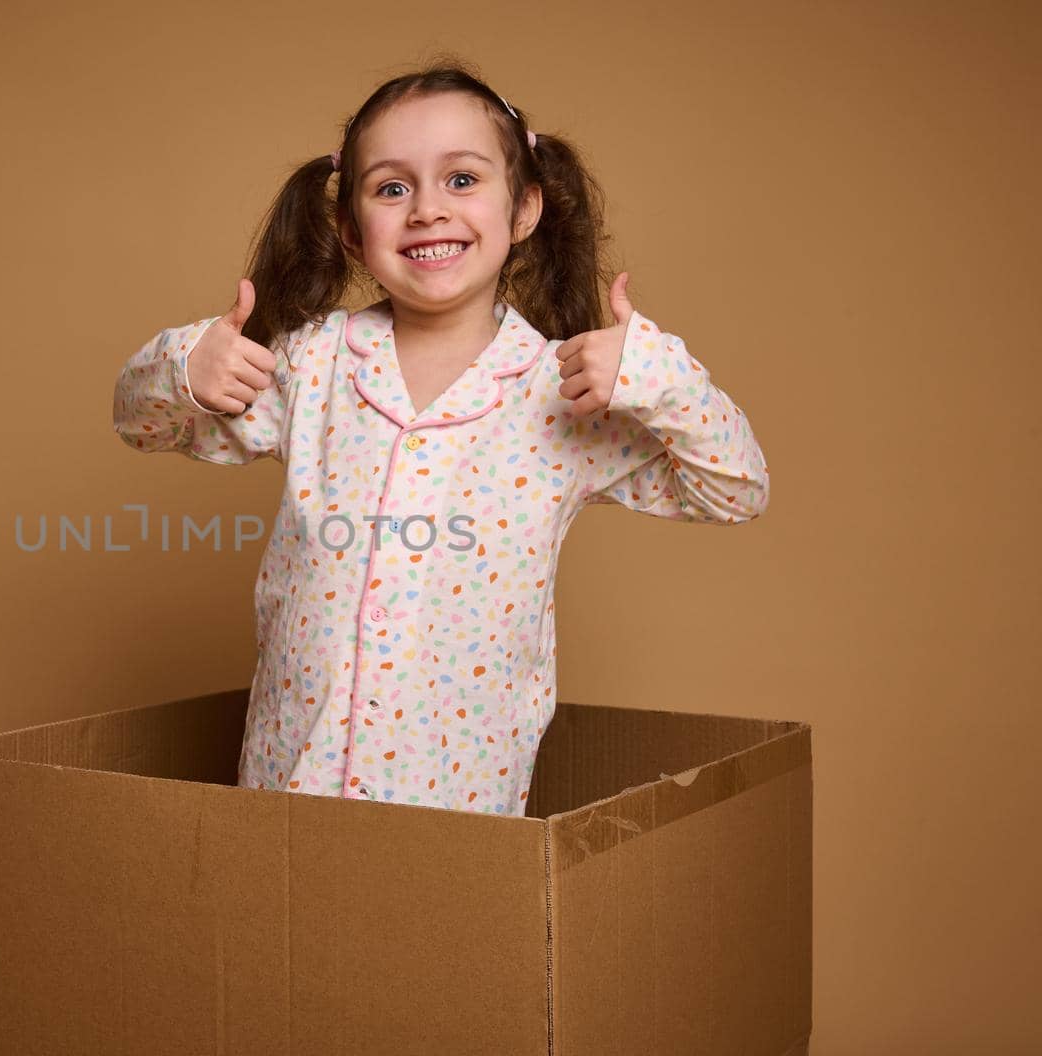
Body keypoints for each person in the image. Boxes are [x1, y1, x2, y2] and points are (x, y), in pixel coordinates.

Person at [111, 61, 770, 817]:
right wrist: (184, 367)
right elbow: (142, 423)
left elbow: (737, 488)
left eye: (462, 179)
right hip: (288, 787)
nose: (427, 209)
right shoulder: (312, 364)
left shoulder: (566, 390)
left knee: (433, 939)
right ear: (353, 232)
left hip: (458, 810)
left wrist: (661, 376)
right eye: (393, 188)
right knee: (274, 936)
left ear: (524, 210)